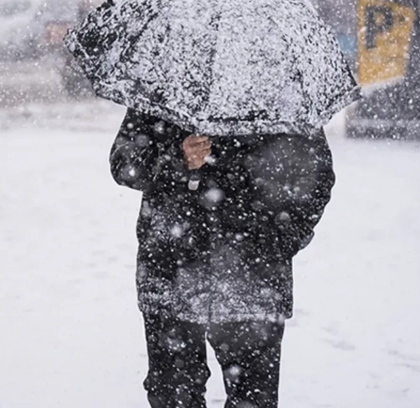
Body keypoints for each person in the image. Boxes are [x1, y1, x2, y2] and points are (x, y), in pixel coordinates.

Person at [110, 109, 335, 408]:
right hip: (172, 272)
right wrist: (177, 158)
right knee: (173, 396)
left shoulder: (279, 91)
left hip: (253, 281)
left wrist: (278, 241)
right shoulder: (165, 84)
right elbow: (124, 163)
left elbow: (316, 175)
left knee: (253, 399)